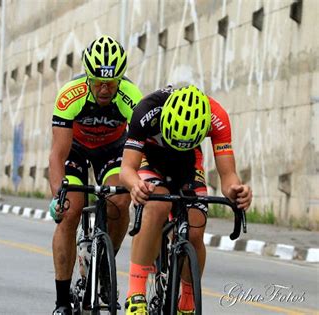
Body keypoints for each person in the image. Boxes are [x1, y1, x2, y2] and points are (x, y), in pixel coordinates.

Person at [120, 85, 252, 314]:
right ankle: (136, 294)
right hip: (150, 159)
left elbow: (228, 175)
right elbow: (126, 169)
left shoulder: (216, 117)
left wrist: (236, 191)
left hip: (188, 164)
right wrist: (136, 186)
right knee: (157, 205)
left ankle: (188, 303)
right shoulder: (147, 109)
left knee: (195, 229)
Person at [48, 35, 143, 314]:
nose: (104, 89)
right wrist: (58, 195)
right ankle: (62, 301)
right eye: (98, 82)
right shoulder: (70, 95)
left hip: (113, 150)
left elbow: (141, 147)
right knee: (70, 210)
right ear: (88, 76)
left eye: (111, 82)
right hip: (75, 150)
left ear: (120, 79)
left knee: (120, 201)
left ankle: (103, 266)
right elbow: (57, 154)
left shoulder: (131, 96)